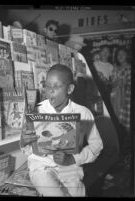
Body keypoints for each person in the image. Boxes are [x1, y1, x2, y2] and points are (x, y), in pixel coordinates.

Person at [20, 64, 103, 197]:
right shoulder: (37, 111)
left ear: (69, 89)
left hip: (70, 167)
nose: (50, 91)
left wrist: (72, 159)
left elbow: (97, 146)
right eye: (47, 86)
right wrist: (24, 141)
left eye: (56, 86)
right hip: (42, 166)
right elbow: (28, 149)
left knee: (78, 192)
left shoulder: (83, 113)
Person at [110, 47, 131, 133]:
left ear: (127, 55)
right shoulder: (115, 67)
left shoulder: (130, 67)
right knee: (117, 120)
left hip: (127, 98)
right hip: (115, 96)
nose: (120, 56)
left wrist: (124, 83)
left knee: (128, 122)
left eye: (123, 54)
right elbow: (113, 83)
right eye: (119, 54)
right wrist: (113, 83)